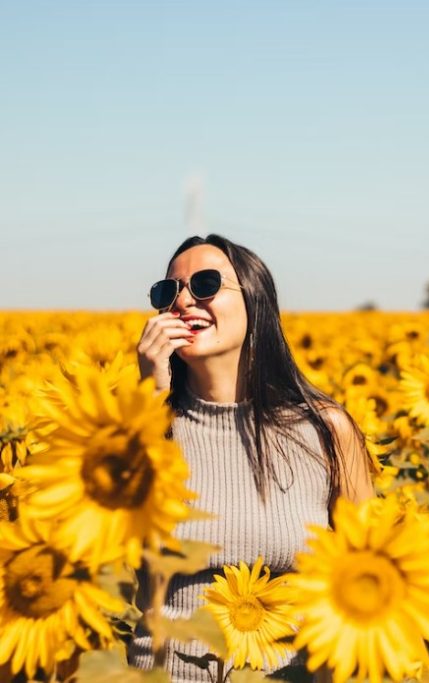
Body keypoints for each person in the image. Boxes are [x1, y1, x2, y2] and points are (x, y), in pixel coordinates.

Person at [131, 234, 374, 681]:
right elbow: (107, 560)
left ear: (255, 299)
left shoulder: (324, 430)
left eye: (205, 284)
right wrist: (149, 404)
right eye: (168, 291)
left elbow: (367, 573)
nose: (183, 301)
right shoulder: (136, 428)